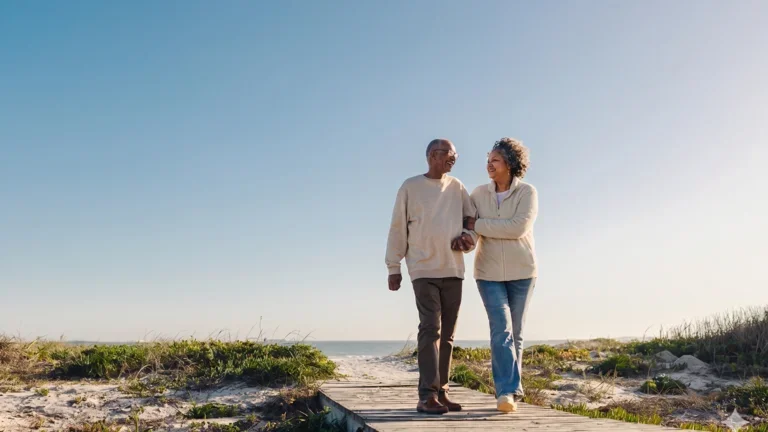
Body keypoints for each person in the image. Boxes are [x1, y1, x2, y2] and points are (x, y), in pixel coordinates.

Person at [385, 138, 477, 415]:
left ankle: (442, 392)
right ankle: (426, 396)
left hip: (453, 269)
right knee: (430, 329)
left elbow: (470, 221)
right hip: (423, 269)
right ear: (431, 155)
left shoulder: (457, 187)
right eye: (449, 154)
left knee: (447, 335)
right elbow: (398, 227)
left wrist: (468, 237)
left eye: (455, 155)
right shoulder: (410, 187)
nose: (454, 159)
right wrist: (393, 266)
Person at [465, 137, 538, 413]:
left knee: (516, 334)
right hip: (488, 273)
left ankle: (512, 391)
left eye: (494, 160)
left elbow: (517, 228)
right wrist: (468, 236)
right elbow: (469, 229)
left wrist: (480, 224)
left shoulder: (527, 193)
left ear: (510, 163)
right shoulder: (478, 195)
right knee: (502, 331)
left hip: (523, 272)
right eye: (488, 160)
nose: (489, 165)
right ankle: (505, 392)